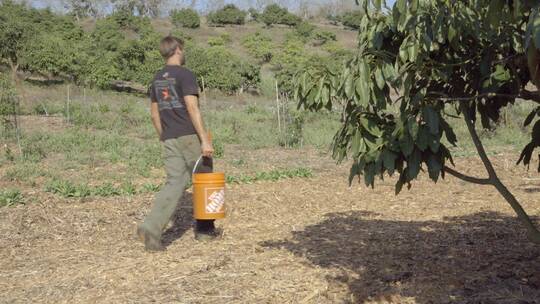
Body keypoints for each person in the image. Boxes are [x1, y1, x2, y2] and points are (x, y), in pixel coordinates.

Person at [137, 36, 217, 251]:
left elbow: (154, 114)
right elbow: (192, 108)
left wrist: (165, 135)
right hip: (189, 135)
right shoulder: (185, 74)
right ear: (178, 49)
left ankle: (151, 227)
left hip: (169, 136)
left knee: (175, 182)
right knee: (205, 178)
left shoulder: (156, 78)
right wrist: (204, 140)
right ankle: (205, 231)